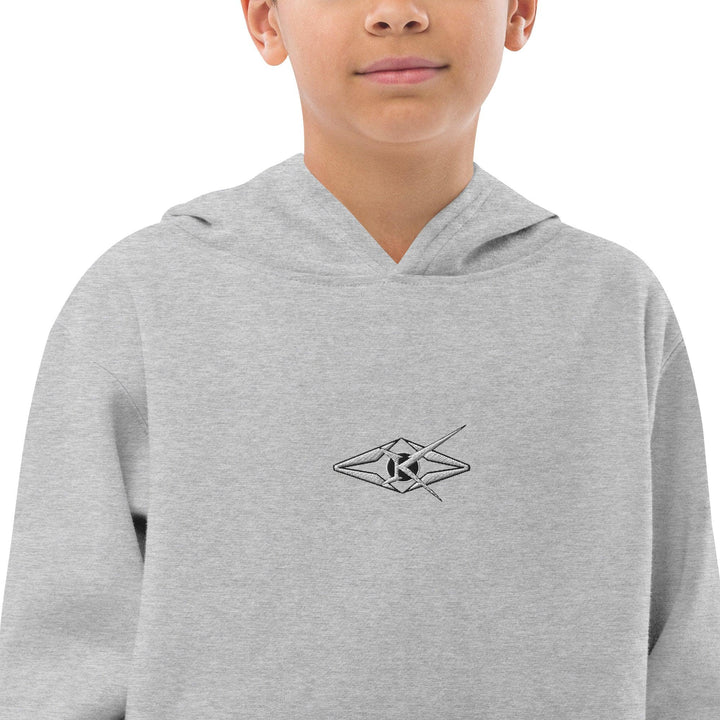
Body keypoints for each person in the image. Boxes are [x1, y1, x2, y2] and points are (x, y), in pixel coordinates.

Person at [1, 0, 719, 718]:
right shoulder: (143, 298)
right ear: (266, 21)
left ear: (520, 12)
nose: (396, 13)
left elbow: (687, 660)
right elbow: (57, 671)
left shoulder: (614, 305)